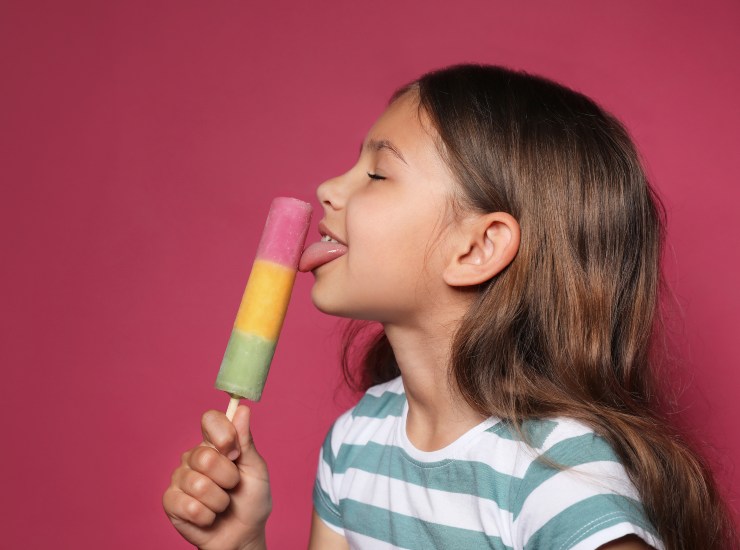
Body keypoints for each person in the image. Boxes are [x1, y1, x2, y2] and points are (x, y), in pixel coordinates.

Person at [162, 65, 737, 549]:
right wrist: (242, 543)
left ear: (477, 248)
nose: (329, 189)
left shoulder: (555, 475)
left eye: (378, 173)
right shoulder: (358, 441)